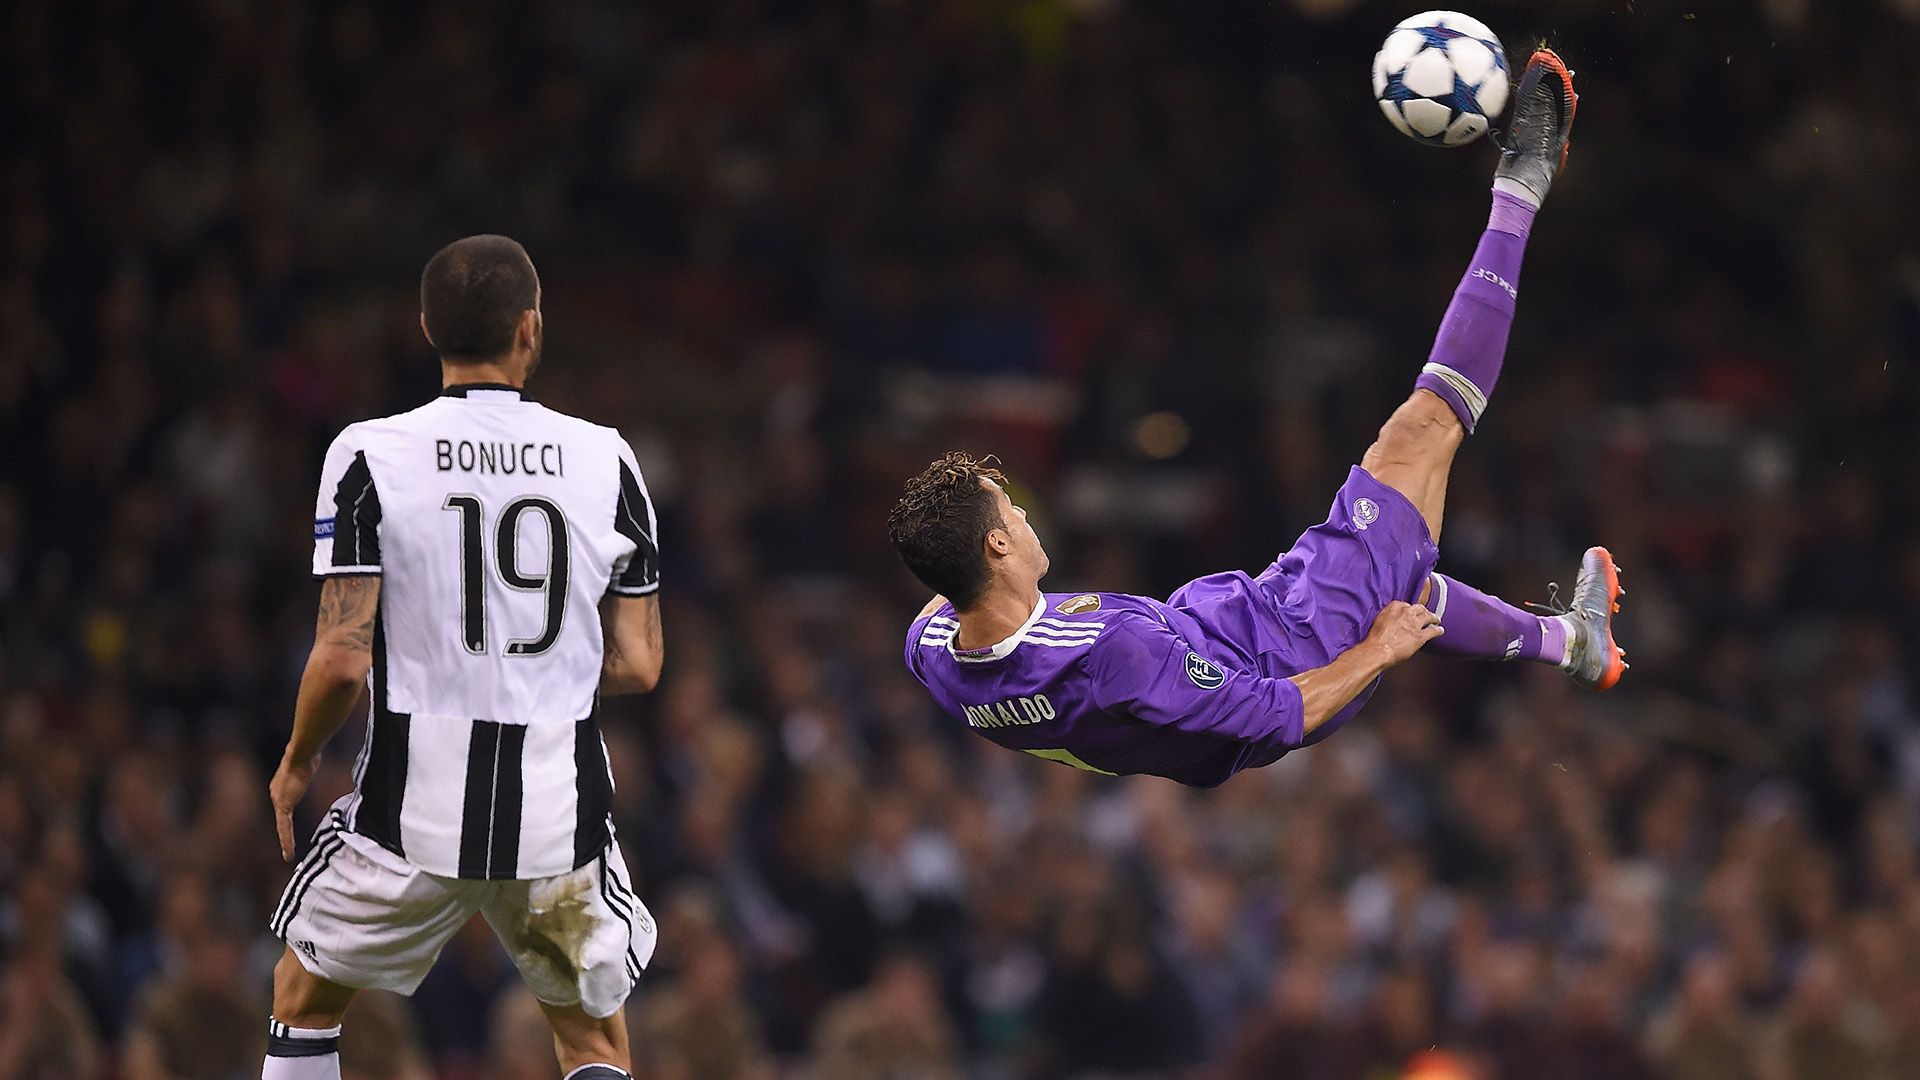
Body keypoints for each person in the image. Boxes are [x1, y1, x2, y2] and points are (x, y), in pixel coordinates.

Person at [887, 52, 1622, 786]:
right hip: (1296, 657)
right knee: (1422, 427)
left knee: (1405, 580)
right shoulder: (1111, 652)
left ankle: (1570, 642)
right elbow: (1282, 715)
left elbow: (952, 578)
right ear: (995, 547)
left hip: (1228, 625)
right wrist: (1376, 653)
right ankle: (1521, 185)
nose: (1021, 513)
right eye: (1008, 513)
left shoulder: (937, 649)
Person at [262, 235, 666, 1080]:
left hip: (412, 812)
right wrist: (537, 677)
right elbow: (639, 663)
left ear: (425, 328)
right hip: (559, 812)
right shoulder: (609, 459)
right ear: (531, 329)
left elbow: (340, 658)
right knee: (592, 1042)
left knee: (304, 998)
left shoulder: (369, 454)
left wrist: (297, 762)